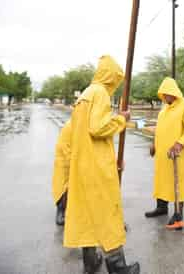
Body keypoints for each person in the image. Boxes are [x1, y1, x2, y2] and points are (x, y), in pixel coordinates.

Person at [63, 55, 140, 274]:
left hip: (83, 165)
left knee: (87, 213)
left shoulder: (85, 95)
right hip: (97, 166)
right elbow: (98, 128)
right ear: (111, 78)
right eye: (116, 80)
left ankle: (90, 262)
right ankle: (118, 268)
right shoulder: (100, 93)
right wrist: (121, 118)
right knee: (107, 214)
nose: (116, 85)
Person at [145, 77, 184, 229]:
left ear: (174, 92)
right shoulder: (164, 110)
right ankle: (162, 208)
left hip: (178, 156)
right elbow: (160, 129)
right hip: (162, 156)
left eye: (168, 93)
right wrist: (154, 144)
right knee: (162, 181)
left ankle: (178, 215)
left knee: (177, 184)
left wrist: (179, 144)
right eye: (163, 94)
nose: (166, 96)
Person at [52, 119, 71, 226]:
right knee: (64, 185)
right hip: (65, 160)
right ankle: (61, 209)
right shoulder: (70, 126)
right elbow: (66, 150)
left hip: (79, 159)